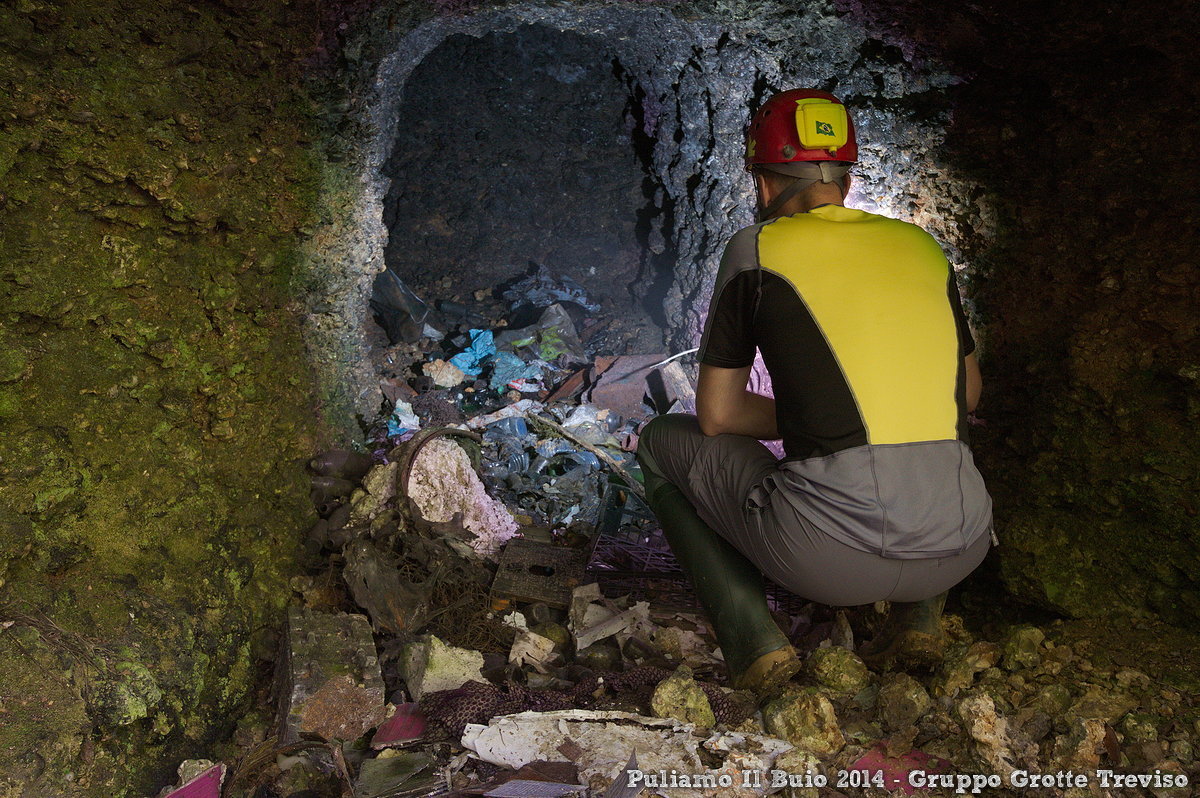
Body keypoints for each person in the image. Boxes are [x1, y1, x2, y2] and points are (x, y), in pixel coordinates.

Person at [635, 89, 995, 695]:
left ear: (764, 184)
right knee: (936, 443)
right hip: (961, 546)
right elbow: (970, 393)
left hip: (827, 562)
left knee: (659, 442)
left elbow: (718, 415)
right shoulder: (922, 248)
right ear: (847, 179)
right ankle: (920, 620)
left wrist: (813, 421)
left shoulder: (756, 249)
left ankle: (755, 647)